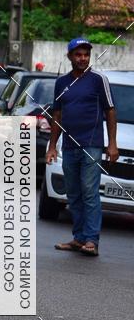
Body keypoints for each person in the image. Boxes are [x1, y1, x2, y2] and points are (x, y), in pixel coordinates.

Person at [46, 38, 118, 257]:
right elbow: (57, 115)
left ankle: (91, 240)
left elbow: (110, 111)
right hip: (69, 146)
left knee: (89, 191)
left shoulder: (98, 80)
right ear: (69, 56)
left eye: (86, 54)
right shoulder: (61, 83)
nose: (83, 58)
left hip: (92, 145)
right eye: (78, 54)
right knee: (74, 193)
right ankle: (78, 238)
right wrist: (52, 147)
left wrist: (112, 144)